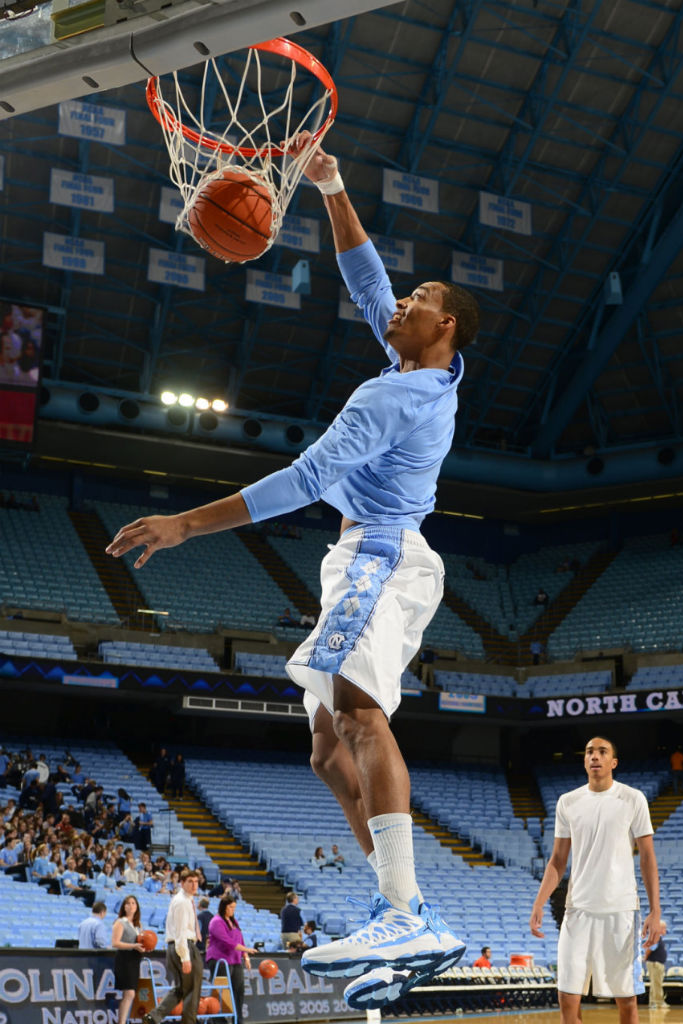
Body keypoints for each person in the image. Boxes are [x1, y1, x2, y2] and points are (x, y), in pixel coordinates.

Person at [105, 129, 476, 1011]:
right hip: (367, 554)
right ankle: (408, 912)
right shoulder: (428, 369)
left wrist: (186, 523)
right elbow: (367, 284)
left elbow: (308, 479)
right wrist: (332, 184)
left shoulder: (390, 394)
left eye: (416, 300)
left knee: (355, 712)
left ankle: (400, 910)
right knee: (321, 748)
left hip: (378, 554)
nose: (398, 305)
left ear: (444, 324)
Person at [529, 736, 662, 1024]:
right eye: (590, 752)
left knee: (626, 1002)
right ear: (584, 759)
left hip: (621, 911)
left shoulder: (633, 798)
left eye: (602, 752)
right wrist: (539, 902)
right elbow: (557, 860)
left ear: (613, 762)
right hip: (577, 911)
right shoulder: (568, 802)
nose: (595, 756)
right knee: (566, 998)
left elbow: (648, 856)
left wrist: (655, 910)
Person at [142, 868, 203, 1024]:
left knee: (181, 988)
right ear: (182, 883)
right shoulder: (183, 902)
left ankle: (154, 1017)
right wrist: (186, 957)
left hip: (173, 947)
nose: (194, 885)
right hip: (183, 946)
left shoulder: (183, 899)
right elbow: (181, 932)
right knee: (192, 990)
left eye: (196, 882)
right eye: (190, 881)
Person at [205, 894, 257, 1023]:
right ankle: (217, 1019)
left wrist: (246, 956)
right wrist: (246, 950)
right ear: (224, 907)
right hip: (219, 960)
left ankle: (238, 1019)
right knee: (220, 991)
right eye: (231, 907)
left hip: (235, 960)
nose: (233, 910)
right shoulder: (216, 922)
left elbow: (240, 938)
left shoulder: (233, 921)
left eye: (234, 907)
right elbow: (227, 942)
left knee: (239, 990)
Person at [112, 895, 145, 1024]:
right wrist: (133, 946)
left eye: (133, 903)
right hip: (124, 959)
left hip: (135, 960)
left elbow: (141, 941)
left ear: (137, 907)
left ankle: (123, 1021)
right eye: (128, 903)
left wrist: (145, 947)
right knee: (129, 993)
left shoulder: (138, 925)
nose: (131, 906)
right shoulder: (120, 922)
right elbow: (115, 943)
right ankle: (121, 1022)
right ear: (124, 907)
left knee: (130, 994)